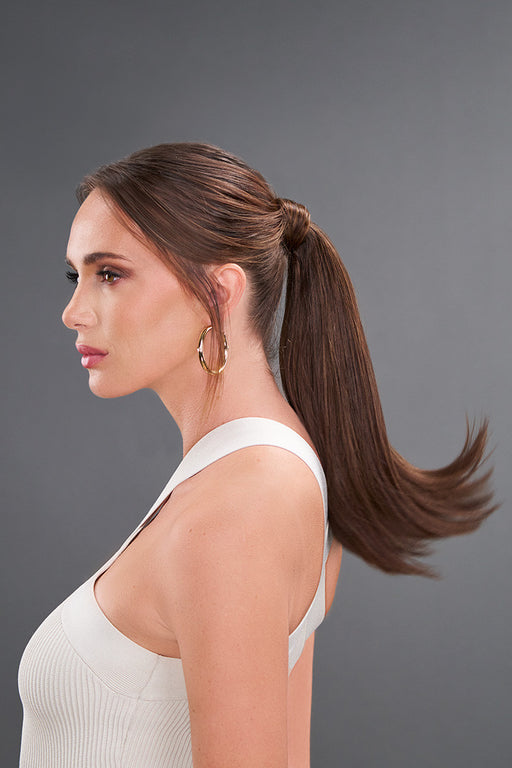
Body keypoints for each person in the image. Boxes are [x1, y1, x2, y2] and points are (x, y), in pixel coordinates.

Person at [18, 142, 497, 768]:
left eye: (109, 274)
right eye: (74, 276)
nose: (72, 312)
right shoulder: (262, 474)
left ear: (219, 293)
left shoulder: (240, 506)